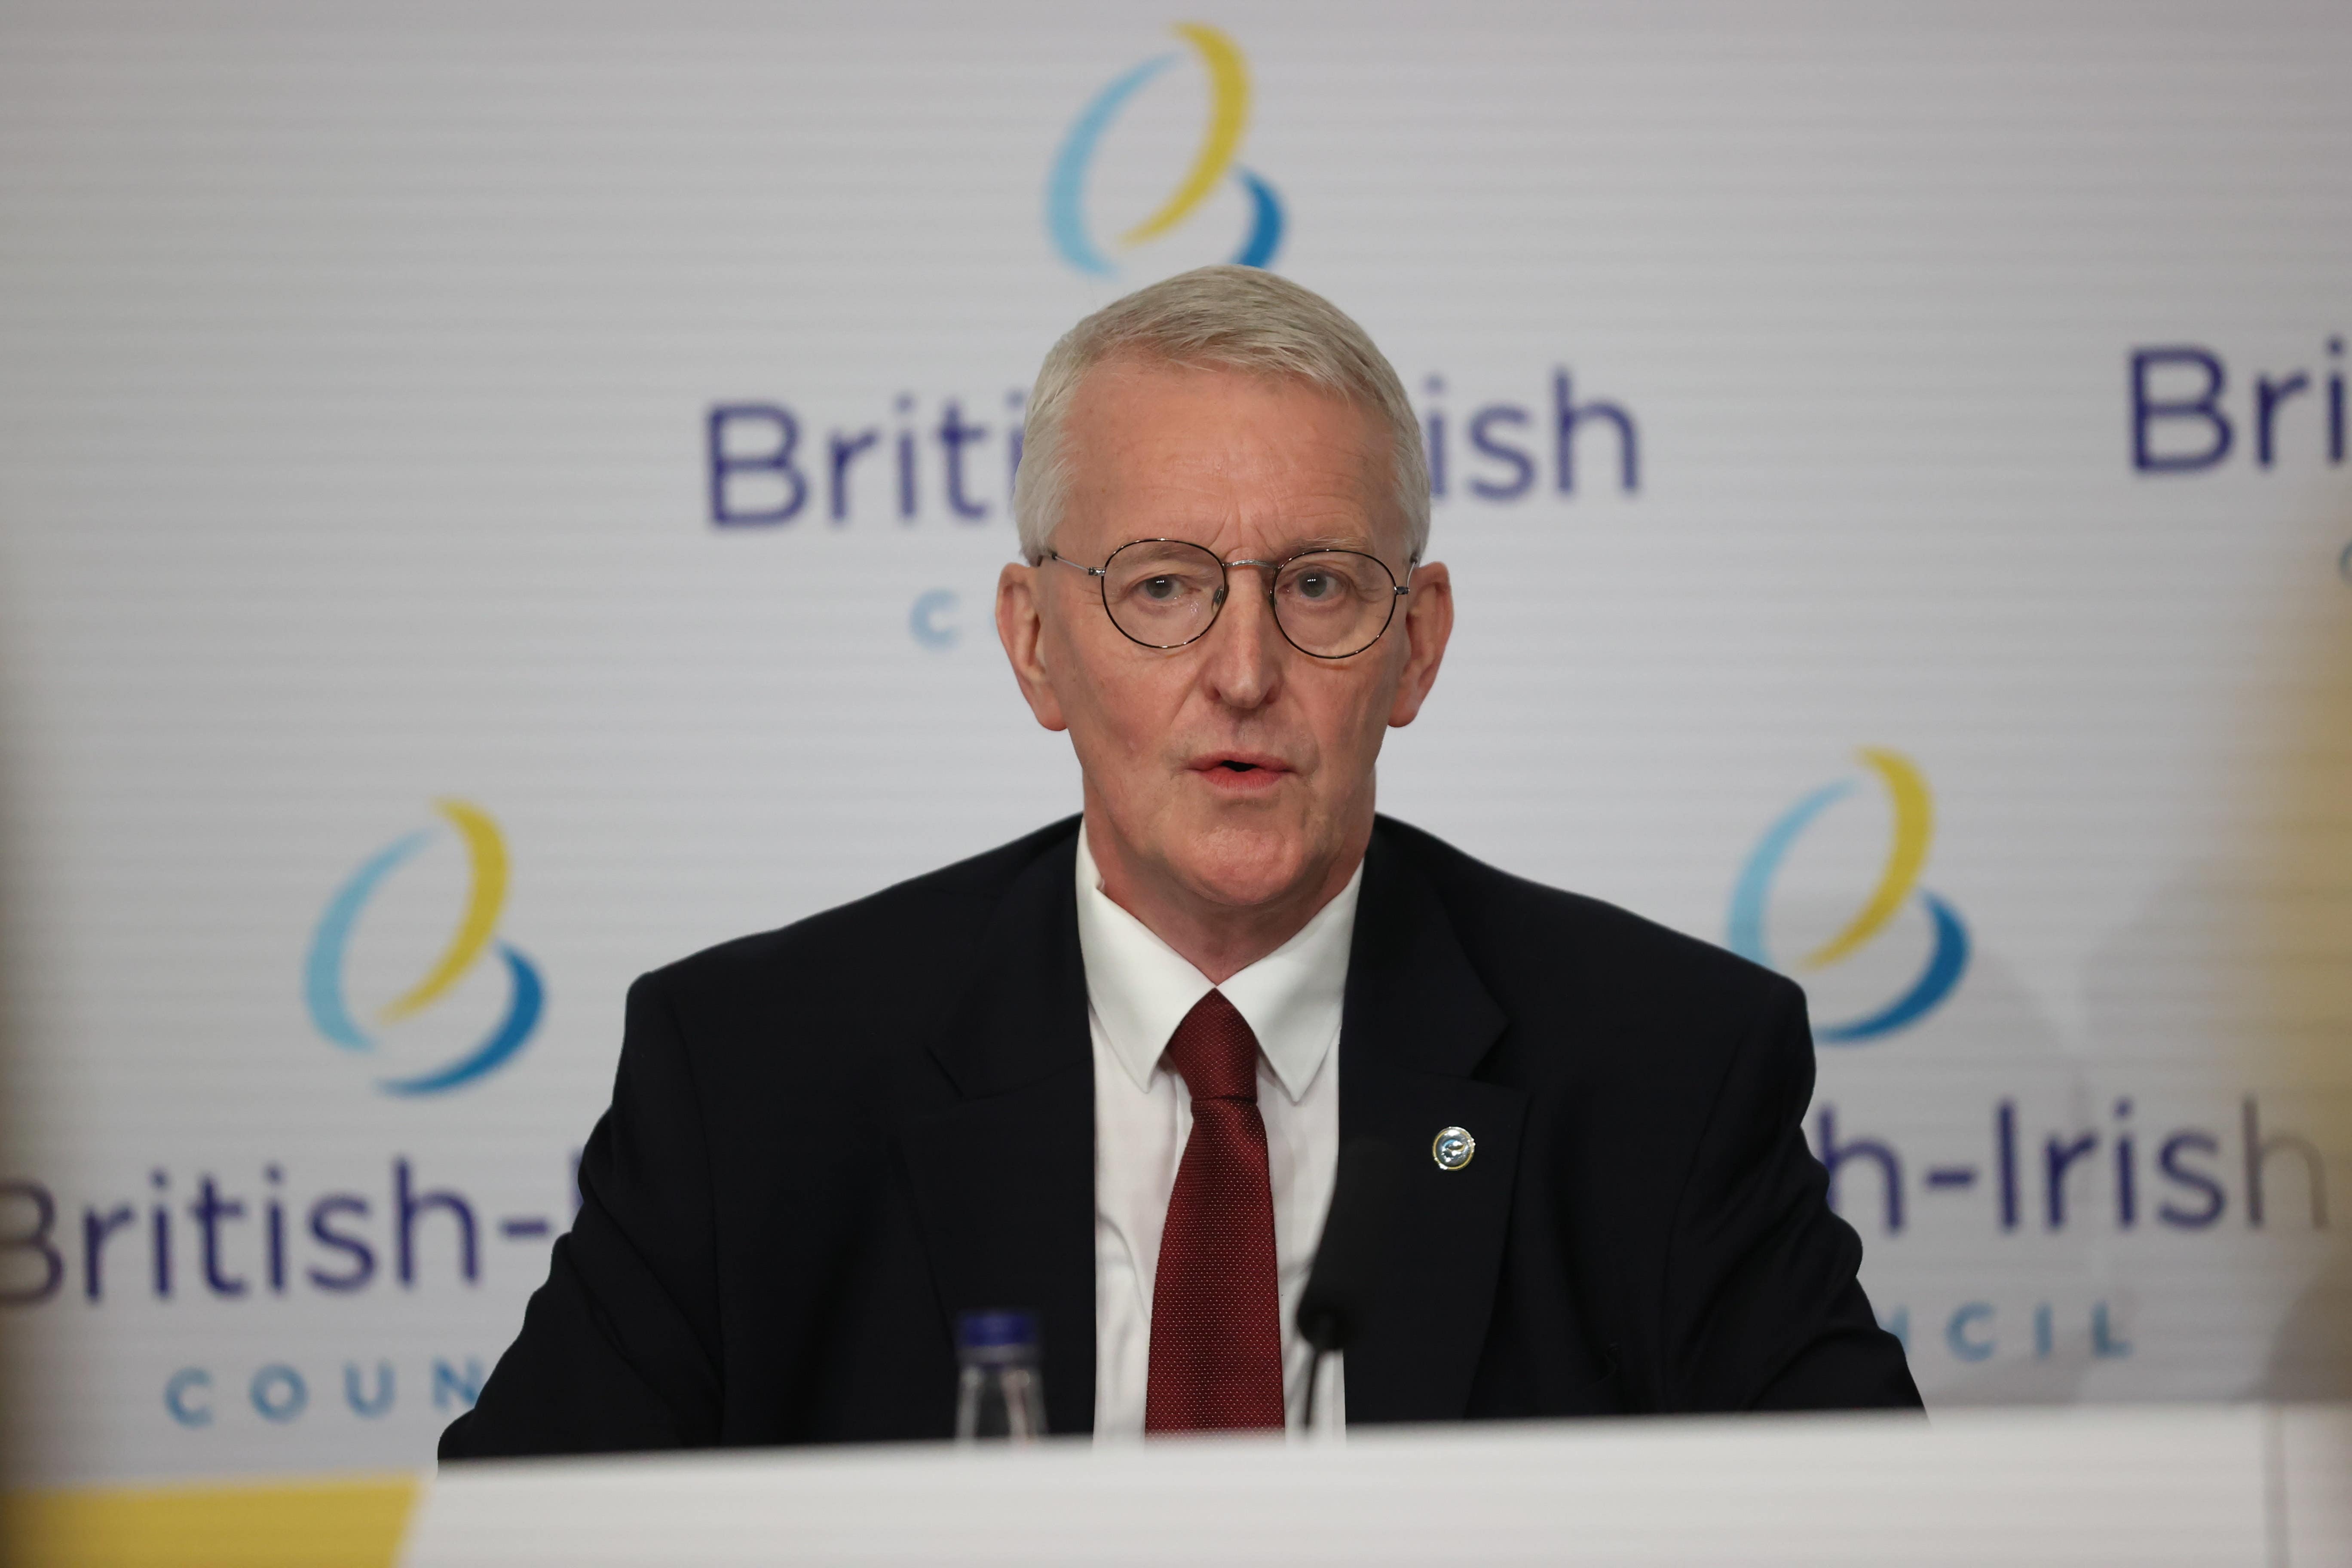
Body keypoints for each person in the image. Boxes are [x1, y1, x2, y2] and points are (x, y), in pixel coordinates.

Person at [440, 266, 1918, 1457]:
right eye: (1165, 588)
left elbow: (1879, 1531)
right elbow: (523, 1536)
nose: (1244, 673)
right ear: (1036, 645)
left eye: (1321, 586)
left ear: (1417, 647)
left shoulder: (1663, 1070)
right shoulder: (757, 1077)